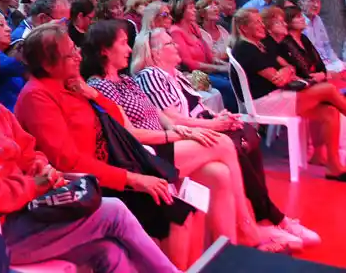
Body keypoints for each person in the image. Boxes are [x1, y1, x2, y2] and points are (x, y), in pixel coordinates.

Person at [0, 23, 181, 272]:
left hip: (30, 208)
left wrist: (38, 166)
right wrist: (35, 185)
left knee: (109, 251)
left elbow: (29, 150)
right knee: (114, 212)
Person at [16, 24, 202, 268]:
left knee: (189, 205)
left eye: (76, 49)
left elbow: (117, 117)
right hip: (89, 182)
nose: (79, 56)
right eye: (70, 54)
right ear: (49, 65)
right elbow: (67, 162)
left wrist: (90, 93)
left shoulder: (71, 82)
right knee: (175, 213)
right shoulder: (37, 96)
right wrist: (133, 179)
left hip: (112, 167)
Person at [132, 27, 318, 249]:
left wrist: (219, 116)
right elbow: (174, 119)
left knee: (247, 133)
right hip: (185, 137)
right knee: (233, 145)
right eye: (169, 43)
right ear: (154, 53)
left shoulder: (177, 74)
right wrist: (213, 124)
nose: (176, 45)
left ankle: (262, 220)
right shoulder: (151, 75)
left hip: (201, 127)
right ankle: (268, 221)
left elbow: (196, 107)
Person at [83, 20, 261, 247]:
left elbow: (157, 113)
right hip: (145, 154)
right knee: (223, 143)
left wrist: (179, 129)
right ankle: (246, 226)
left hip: (164, 142)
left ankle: (227, 247)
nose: (129, 49)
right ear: (104, 50)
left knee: (219, 174)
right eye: (123, 43)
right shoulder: (101, 86)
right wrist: (178, 135)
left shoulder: (126, 80)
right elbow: (131, 135)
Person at [237, 7, 346, 180]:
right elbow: (278, 79)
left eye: (261, 21)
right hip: (264, 103)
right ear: (244, 28)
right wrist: (287, 71)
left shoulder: (259, 46)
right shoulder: (246, 49)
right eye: (257, 22)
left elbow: (287, 69)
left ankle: (333, 166)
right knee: (329, 89)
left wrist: (286, 70)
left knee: (330, 112)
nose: (262, 25)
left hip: (276, 97)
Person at [299, 0, 345, 73]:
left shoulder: (318, 19)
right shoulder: (299, 23)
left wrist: (337, 62)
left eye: (318, 2)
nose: (316, 5)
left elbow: (327, 46)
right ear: (301, 3)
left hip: (328, 63)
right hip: (316, 68)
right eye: (312, 1)